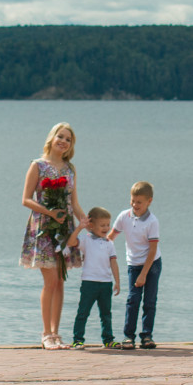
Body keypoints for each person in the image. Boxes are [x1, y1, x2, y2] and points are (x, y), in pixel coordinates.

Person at [20, 121, 86, 349]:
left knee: (60, 281)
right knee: (50, 281)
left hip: (65, 228)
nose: (64, 142)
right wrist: (50, 212)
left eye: (68, 139)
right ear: (52, 138)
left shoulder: (70, 169)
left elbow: (73, 203)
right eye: (61, 136)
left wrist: (84, 222)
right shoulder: (37, 165)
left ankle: (57, 334)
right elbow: (26, 199)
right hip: (43, 227)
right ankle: (46, 334)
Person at [110, 181, 160, 349]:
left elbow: (152, 251)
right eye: (133, 200)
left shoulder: (152, 221)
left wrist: (144, 274)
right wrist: (97, 246)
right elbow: (111, 237)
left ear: (149, 201)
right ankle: (128, 336)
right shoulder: (124, 216)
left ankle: (147, 335)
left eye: (139, 202)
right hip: (133, 263)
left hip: (151, 265)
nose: (135, 205)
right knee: (133, 300)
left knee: (149, 301)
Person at [68, 206, 120, 348]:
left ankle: (108, 340)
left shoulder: (109, 243)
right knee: (83, 312)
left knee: (106, 314)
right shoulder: (86, 239)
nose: (106, 228)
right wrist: (80, 227)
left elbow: (113, 263)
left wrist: (117, 281)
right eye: (102, 225)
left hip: (106, 283)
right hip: (89, 283)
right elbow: (71, 242)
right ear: (91, 225)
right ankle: (78, 339)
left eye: (108, 225)